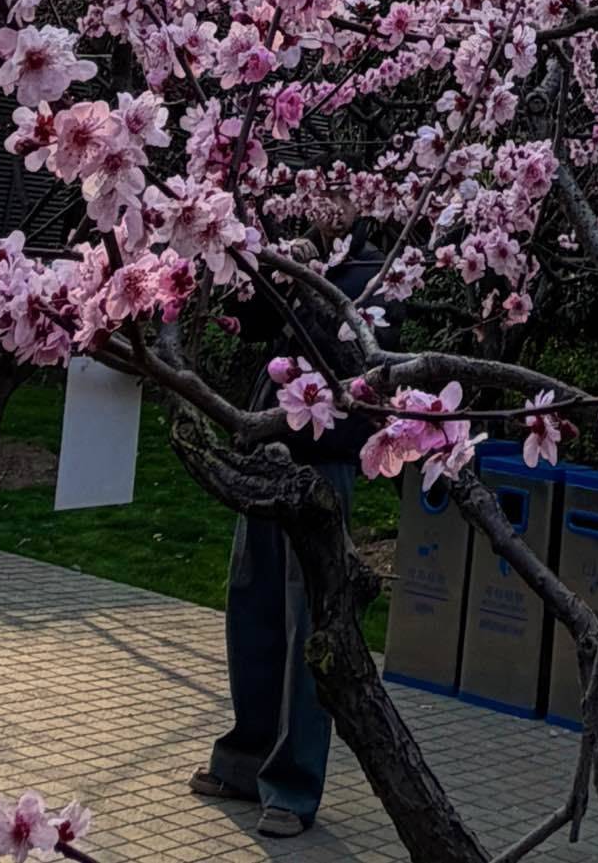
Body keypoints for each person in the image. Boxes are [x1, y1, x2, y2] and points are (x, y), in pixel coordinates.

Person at [190, 231, 384, 838]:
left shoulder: (375, 270)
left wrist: (309, 288)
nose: (330, 200)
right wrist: (257, 272)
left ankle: (293, 786)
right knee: (251, 606)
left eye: (343, 193)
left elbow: (358, 366)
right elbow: (248, 325)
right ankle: (244, 761)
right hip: (265, 448)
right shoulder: (289, 248)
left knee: (309, 625)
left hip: (322, 463)